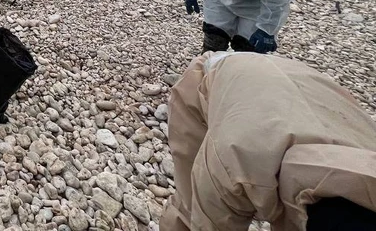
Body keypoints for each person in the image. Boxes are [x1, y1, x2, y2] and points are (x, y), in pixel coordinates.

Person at [161, 52, 376, 231]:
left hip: (295, 81)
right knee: (191, 210)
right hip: (211, 77)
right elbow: (210, 221)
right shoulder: (237, 162)